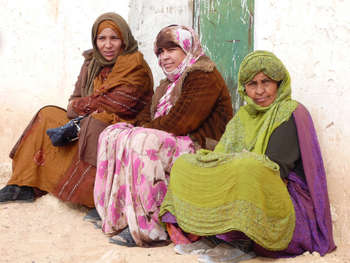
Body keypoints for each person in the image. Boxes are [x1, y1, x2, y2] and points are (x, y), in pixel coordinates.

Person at [159, 50, 336, 262]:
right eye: (252, 84)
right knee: (186, 163)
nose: (260, 91)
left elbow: (277, 167)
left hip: (284, 196)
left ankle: (240, 240)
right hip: (244, 180)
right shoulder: (243, 116)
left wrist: (235, 163)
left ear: (279, 83)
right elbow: (222, 155)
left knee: (247, 166)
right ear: (245, 88)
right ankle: (213, 234)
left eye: (266, 82)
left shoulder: (290, 111)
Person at [93, 25, 233, 247]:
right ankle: (118, 215)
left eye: (171, 50)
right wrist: (134, 127)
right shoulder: (169, 83)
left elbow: (181, 122)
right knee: (113, 134)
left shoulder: (204, 74)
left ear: (187, 48)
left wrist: (142, 129)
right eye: (160, 52)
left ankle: (151, 228)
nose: (164, 57)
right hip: (177, 139)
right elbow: (145, 117)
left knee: (143, 141)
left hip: (204, 145)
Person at [0, 12, 153, 208]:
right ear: (95, 40)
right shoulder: (91, 63)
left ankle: (94, 199)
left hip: (122, 127)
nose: (107, 45)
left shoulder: (135, 67)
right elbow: (74, 100)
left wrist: (82, 108)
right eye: (102, 38)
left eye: (114, 38)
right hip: (85, 121)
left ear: (124, 40)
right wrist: (85, 107)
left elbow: (119, 105)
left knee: (95, 123)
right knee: (47, 114)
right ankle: (23, 184)